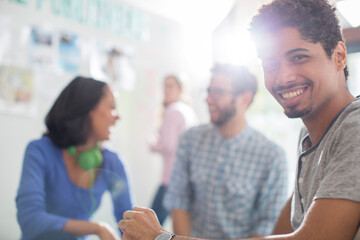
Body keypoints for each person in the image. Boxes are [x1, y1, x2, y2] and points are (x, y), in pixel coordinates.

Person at [118, 0, 360, 240]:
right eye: (270, 63)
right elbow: (283, 231)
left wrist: (162, 238)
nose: (283, 77)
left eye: (299, 57)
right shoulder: (309, 137)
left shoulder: (355, 126)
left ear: (339, 56)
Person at [162, 64, 288, 239]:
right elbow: (179, 201)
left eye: (218, 92)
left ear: (244, 99)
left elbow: (267, 224)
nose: (208, 99)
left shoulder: (272, 157)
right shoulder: (190, 140)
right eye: (208, 91)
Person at [16, 76, 133, 240]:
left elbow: (130, 225)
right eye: (112, 107)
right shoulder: (39, 151)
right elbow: (31, 220)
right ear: (87, 109)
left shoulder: (112, 163)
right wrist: (97, 228)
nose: (117, 116)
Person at [148, 74, 199, 225]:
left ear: (181, 89)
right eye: (164, 86)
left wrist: (153, 144)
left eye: (170, 86)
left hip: (171, 179)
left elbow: (169, 146)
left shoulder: (172, 111)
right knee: (182, 228)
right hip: (186, 178)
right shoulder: (189, 111)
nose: (166, 90)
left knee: (150, 227)